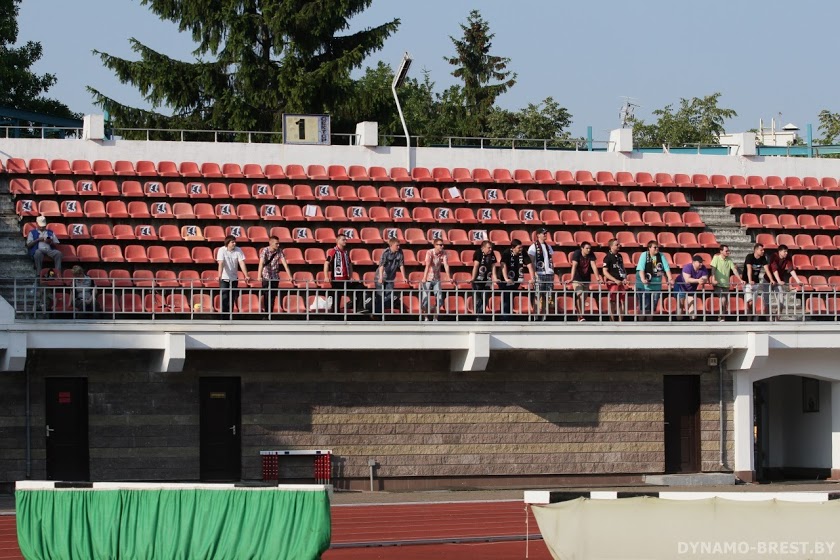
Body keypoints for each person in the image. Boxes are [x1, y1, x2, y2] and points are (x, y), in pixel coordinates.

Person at [325, 233, 364, 312]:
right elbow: (326, 263)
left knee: (360, 287)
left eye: (345, 240)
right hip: (337, 280)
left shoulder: (345, 252)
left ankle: (359, 307)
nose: (345, 241)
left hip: (346, 280)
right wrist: (326, 276)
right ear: (337, 241)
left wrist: (351, 276)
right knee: (337, 298)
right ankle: (335, 314)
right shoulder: (333, 251)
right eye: (343, 240)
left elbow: (350, 265)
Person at [635, 241, 673, 320]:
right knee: (644, 307)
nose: (657, 249)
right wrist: (643, 279)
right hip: (644, 286)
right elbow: (641, 269)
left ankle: (649, 324)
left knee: (652, 307)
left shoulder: (661, 255)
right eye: (655, 247)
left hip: (656, 286)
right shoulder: (644, 255)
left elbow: (666, 268)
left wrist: (670, 279)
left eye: (657, 247)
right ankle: (640, 324)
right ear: (649, 248)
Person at [500, 239, 535, 320]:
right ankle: (505, 318)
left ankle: (509, 316)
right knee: (506, 298)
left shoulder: (523, 252)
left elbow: (529, 265)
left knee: (511, 297)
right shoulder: (507, 252)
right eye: (519, 248)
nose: (521, 249)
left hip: (516, 279)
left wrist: (533, 278)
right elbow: (503, 264)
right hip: (505, 278)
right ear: (513, 248)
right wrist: (506, 278)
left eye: (521, 247)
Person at [257, 235, 292, 316]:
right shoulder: (265, 250)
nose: (278, 245)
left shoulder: (279, 251)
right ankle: (266, 314)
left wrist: (290, 276)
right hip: (266, 275)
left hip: (275, 276)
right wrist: (259, 276)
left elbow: (285, 264)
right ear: (271, 243)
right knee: (266, 295)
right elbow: (261, 263)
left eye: (278, 243)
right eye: (276, 243)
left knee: (272, 296)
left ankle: (270, 314)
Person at [569, 241, 601, 322]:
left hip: (586, 279)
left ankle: (580, 316)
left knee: (583, 298)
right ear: (582, 248)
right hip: (577, 279)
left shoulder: (591, 254)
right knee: (580, 295)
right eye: (587, 248)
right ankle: (580, 316)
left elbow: (593, 266)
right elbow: (574, 266)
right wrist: (571, 278)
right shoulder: (577, 253)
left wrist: (597, 278)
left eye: (589, 248)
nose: (588, 250)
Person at [768, 244, 802, 319]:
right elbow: (774, 269)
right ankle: (767, 319)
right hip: (769, 279)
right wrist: (778, 280)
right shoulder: (774, 256)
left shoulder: (787, 257)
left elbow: (791, 269)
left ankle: (777, 318)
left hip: (779, 280)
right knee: (766, 302)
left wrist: (798, 280)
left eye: (787, 251)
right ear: (779, 252)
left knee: (781, 301)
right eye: (784, 251)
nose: (786, 253)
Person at [421, 239, 451, 320]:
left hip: (437, 278)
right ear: (435, 245)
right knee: (425, 299)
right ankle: (426, 317)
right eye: (440, 245)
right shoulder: (429, 252)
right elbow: (427, 265)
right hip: (428, 278)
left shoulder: (444, 253)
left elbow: (446, 265)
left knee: (439, 299)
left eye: (442, 245)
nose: (442, 246)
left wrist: (449, 277)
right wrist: (424, 277)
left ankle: (435, 317)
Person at [527, 228, 555, 319]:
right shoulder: (533, 246)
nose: (545, 235)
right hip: (539, 273)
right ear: (538, 235)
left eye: (546, 233)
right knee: (537, 295)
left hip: (548, 273)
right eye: (543, 233)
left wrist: (552, 271)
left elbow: (551, 260)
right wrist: (534, 274)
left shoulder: (548, 246)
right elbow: (531, 261)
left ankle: (544, 316)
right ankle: (535, 315)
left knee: (547, 295)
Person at [217, 235, 248, 314]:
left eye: (235, 242)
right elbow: (221, 263)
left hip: (234, 278)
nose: (234, 244)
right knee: (224, 298)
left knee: (232, 298)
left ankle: (230, 316)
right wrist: (219, 275)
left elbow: (241, 263)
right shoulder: (221, 250)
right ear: (228, 243)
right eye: (232, 242)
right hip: (224, 278)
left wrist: (246, 275)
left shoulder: (238, 250)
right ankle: (223, 317)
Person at [375, 238, 407, 313]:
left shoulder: (400, 252)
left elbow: (401, 265)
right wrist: (381, 277)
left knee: (389, 296)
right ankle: (378, 314)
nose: (398, 247)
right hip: (381, 277)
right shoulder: (386, 252)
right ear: (391, 245)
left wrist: (404, 277)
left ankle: (384, 313)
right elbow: (382, 265)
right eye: (397, 245)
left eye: (399, 245)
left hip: (390, 278)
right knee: (380, 296)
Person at [710, 245, 741, 321]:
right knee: (723, 299)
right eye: (726, 251)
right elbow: (713, 269)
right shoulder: (716, 258)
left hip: (726, 284)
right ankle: (720, 316)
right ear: (721, 251)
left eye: (728, 251)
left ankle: (722, 317)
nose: (728, 252)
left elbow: (734, 270)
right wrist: (713, 279)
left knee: (725, 302)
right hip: (718, 284)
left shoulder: (729, 259)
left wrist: (740, 279)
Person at [602, 239, 629, 321]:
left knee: (622, 301)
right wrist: (614, 280)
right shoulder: (607, 257)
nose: (619, 246)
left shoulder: (620, 256)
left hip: (620, 283)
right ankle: (612, 320)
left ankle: (621, 321)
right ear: (611, 246)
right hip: (613, 283)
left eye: (619, 244)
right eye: (616, 245)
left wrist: (625, 278)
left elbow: (622, 268)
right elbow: (605, 272)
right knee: (613, 301)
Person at [471, 240, 498, 319]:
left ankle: (482, 316)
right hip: (478, 280)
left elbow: (493, 265)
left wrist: (495, 277)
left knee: (485, 298)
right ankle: (477, 316)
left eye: (491, 248)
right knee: (478, 300)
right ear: (483, 248)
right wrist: (473, 278)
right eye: (489, 248)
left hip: (487, 280)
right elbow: (476, 265)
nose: (490, 249)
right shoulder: (478, 252)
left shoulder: (491, 253)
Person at [742, 243, 771, 318]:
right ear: (756, 250)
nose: (763, 251)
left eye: (763, 250)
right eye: (761, 250)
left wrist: (771, 279)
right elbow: (749, 268)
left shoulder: (763, 258)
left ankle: (750, 318)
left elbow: (767, 269)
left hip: (756, 282)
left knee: (752, 303)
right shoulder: (749, 256)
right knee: (750, 302)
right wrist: (750, 280)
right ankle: (754, 315)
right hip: (747, 282)